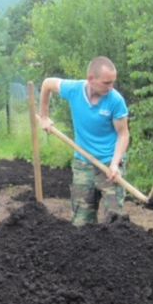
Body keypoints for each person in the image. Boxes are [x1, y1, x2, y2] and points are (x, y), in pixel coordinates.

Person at [38, 56, 130, 226]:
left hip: (109, 166)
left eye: (112, 82)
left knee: (115, 222)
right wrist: (44, 116)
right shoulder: (74, 90)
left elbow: (123, 135)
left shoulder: (115, 101)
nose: (111, 87)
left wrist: (115, 164)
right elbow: (47, 84)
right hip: (83, 165)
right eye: (106, 83)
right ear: (91, 79)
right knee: (81, 223)